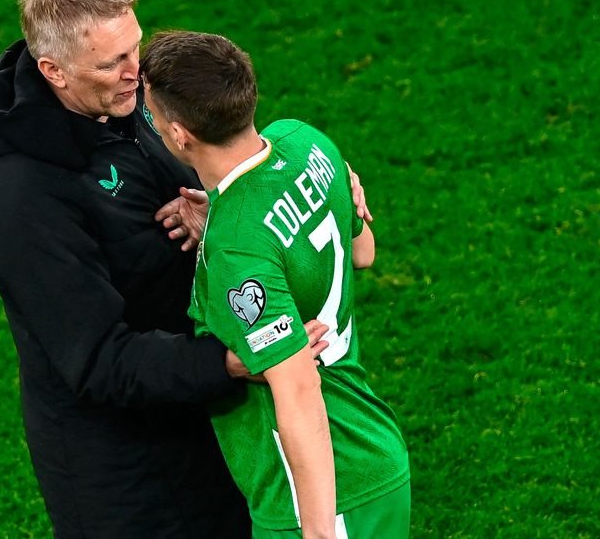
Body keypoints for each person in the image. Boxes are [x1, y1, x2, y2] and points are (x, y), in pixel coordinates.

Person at [0, 0, 343, 538]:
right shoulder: (21, 198)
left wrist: (224, 218)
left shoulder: (123, 98)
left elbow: (213, 172)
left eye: (135, 48)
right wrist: (229, 362)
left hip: (208, 418)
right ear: (53, 71)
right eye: (112, 63)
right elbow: (97, 359)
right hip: (128, 477)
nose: (138, 75)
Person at [140, 31, 411, 539]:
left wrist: (318, 533)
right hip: (373, 453)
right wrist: (227, 219)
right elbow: (363, 250)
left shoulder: (238, 248)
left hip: (326, 495)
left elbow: (300, 389)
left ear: (180, 135)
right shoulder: (304, 141)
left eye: (150, 113)